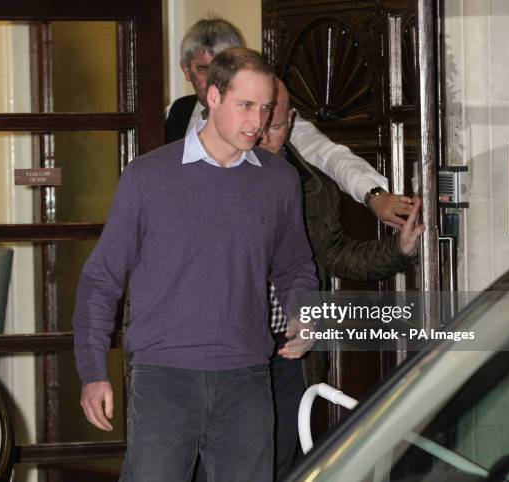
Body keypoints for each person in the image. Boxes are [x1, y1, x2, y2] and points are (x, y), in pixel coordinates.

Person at [72, 48, 317, 482]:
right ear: (214, 95)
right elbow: (101, 279)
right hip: (165, 381)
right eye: (246, 105)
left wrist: (304, 314)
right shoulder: (148, 177)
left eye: (265, 109)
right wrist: (93, 371)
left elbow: (295, 265)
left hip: (248, 381)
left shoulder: (278, 180)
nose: (257, 122)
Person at [261, 79, 425, 480]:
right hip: (225, 352)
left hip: (288, 353)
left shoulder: (311, 189)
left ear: (292, 123)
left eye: (275, 126)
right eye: (258, 122)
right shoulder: (208, 175)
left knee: (283, 463)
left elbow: (335, 256)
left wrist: (399, 250)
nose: (263, 136)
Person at [166, 17, 414, 230]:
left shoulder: (269, 114)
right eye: (203, 69)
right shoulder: (176, 114)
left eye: (223, 67)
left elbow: (330, 156)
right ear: (185, 70)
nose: (213, 79)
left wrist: (374, 195)